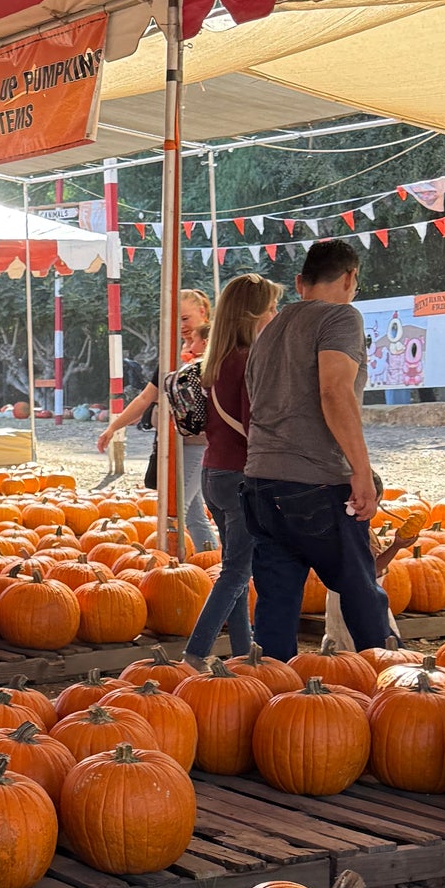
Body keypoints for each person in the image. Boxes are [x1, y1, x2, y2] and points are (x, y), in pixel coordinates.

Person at [242, 238, 391, 660]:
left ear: (299, 282)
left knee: (277, 604)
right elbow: (335, 392)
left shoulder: (270, 329)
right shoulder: (341, 317)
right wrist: (361, 471)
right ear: (349, 277)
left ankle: (271, 695)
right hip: (315, 484)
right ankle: (388, 685)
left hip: (260, 483)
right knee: (361, 590)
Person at [182, 275, 281, 667]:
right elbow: (255, 426)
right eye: (271, 308)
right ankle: (196, 651)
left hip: (214, 473)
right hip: (242, 476)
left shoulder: (216, 360)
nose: (275, 314)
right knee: (237, 573)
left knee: (234, 568)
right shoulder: (248, 360)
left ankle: (244, 651)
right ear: (253, 314)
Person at [95, 290, 212, 549]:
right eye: (175, 320)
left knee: (175, 509)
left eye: (185, 318)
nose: (181, 327)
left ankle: (174, 563)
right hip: (172, 441)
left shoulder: (213, 350)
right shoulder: (172, 354)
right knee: (191, 513)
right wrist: (114, 426)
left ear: (202, 312)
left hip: (198, 442)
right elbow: (145, 398)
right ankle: (210, 561)